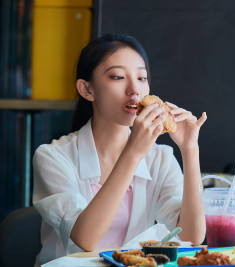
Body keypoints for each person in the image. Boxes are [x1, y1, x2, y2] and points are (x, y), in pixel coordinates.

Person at [32, 34, 207, 265]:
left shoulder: (160, 158)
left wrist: (189, 149)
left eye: (142, 77)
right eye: (117, 77)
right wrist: (133, 152)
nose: (134, 89)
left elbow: (192, 239)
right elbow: (86, 239)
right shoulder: (52, 157)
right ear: (87, 89)